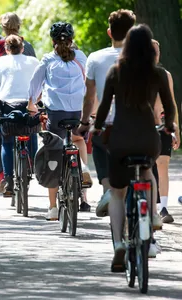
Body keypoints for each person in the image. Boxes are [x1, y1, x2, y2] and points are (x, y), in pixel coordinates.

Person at [93, 24, 175, 271]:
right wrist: (169, 126)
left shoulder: (116, 72)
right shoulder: (157, 73)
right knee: (148, 173)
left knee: (118, 192)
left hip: (121, 139)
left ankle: (118, 242)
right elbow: (169, 107)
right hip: (148, 138)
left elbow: (104, 107)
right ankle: (151, 216)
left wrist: (96, 128)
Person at [27, 22, 90, 220]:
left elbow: (35, 87)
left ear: (52, 40)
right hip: (78, 112)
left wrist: (32, 103)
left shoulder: (48, 59)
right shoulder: (81, 57)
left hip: (56, 114)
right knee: (78, 140)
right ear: (72, 39)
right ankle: (84, 187)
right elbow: (89, 84)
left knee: (53, 153)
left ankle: (53, 207)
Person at [78, 9, 136, 217]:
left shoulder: (95, 58)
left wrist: (85, 121)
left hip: (110, 124)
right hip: (138, 124)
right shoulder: (143, 57)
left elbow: (90, 96)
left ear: (109, 32)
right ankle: (152, 209)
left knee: (99, 141)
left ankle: (107, 189)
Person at [0, 12, 36, 194]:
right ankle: (31, 165)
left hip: (4, 106)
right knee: (31, 131)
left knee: (4, 140)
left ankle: (5, 178)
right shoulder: (31, 56)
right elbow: (39, 84)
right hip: (27, 105)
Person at [152, 39, 180, 223]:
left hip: (162, 124)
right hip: (140, 124)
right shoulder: (133, 73)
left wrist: (176, 129)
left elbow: (171, 103)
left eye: (157, 50)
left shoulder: (165, 74)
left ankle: (163, 208)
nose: (155, 53)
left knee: (162, 164)